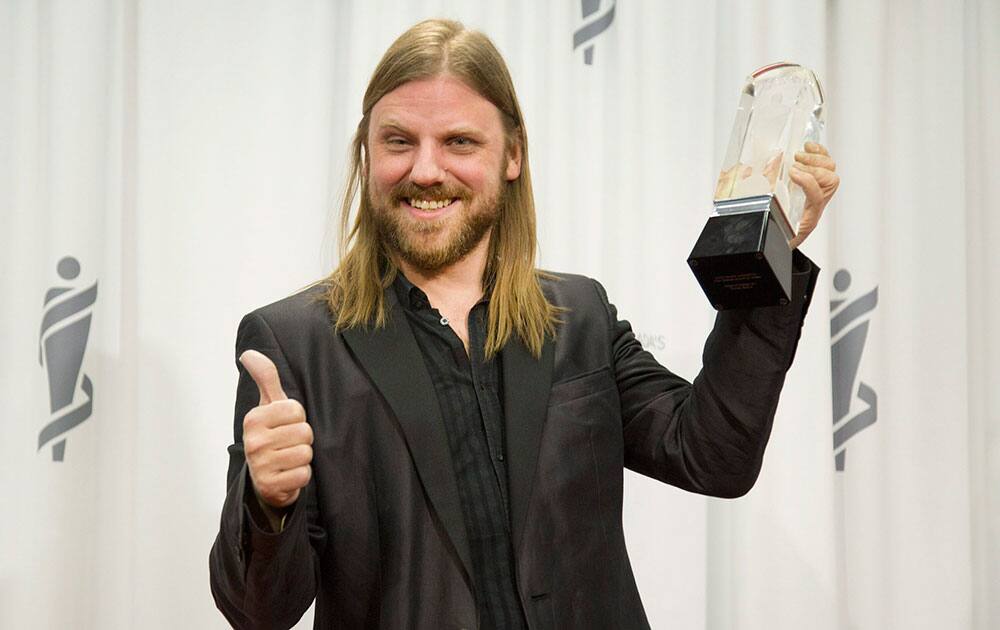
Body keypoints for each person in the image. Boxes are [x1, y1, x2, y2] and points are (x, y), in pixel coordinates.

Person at [209, 18, 839, 630]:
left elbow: (713, 456)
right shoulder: (292, 345)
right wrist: (268, 504)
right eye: (399, 141)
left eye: (459, 142)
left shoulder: (578, 317)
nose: (426, 171)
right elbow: (257, 614)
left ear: (512, 155)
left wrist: (769, 247)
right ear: (367, 153)